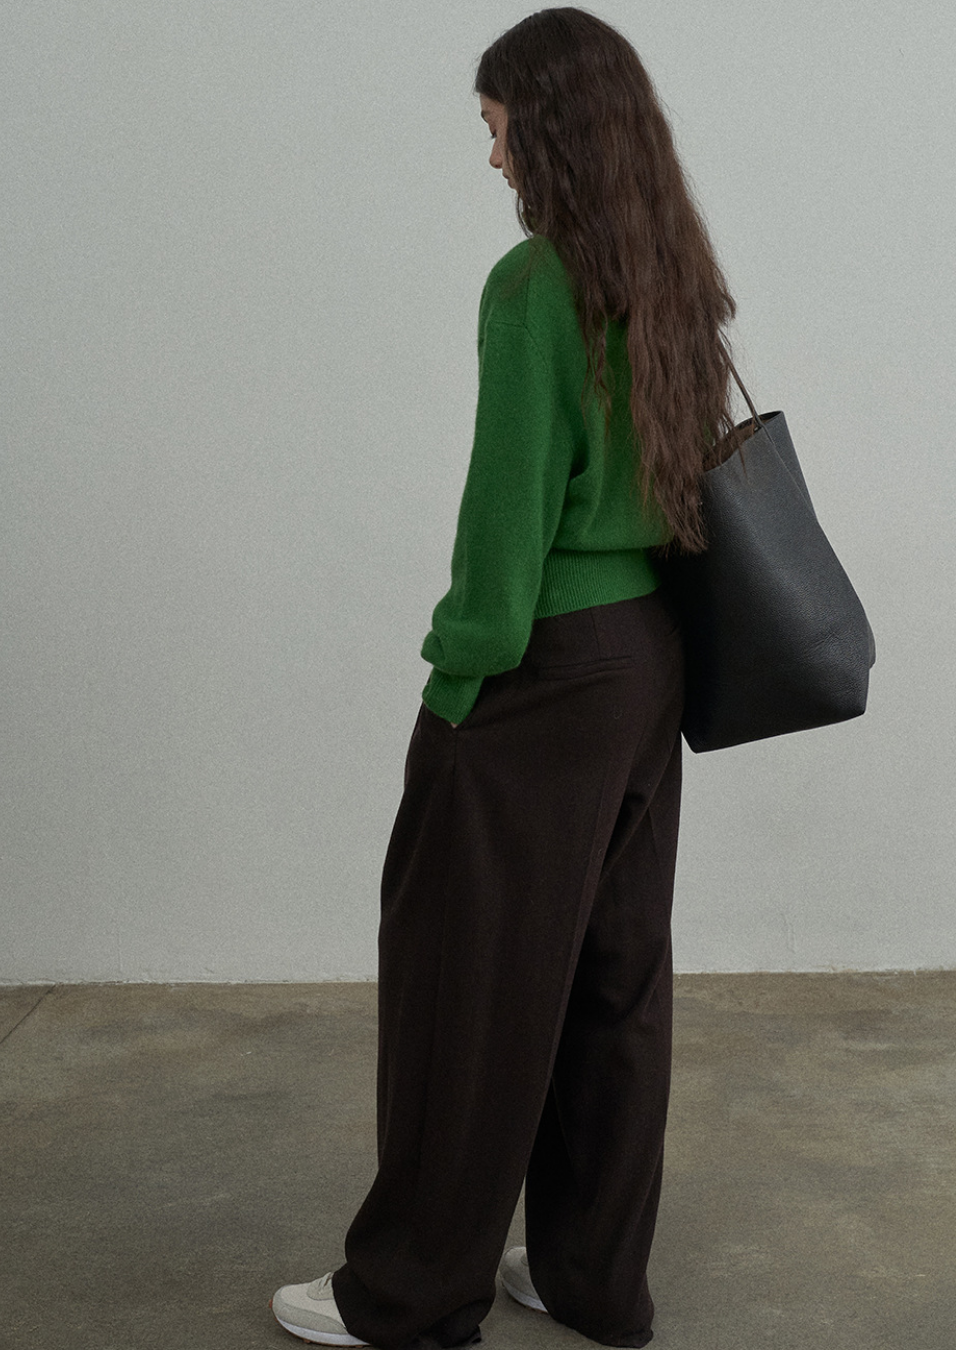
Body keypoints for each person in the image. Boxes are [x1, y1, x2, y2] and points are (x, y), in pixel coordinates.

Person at [271, 8, 738, 1348]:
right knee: (612, 976)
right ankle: (591, 1274)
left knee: (462, 982)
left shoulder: (535, 286)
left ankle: (411, 1293)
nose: (491, 158)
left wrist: (460, 676)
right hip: (649, 659)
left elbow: (507, 516)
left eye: (498, 128)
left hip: (547, 667)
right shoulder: (673, 268)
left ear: (555, 130)